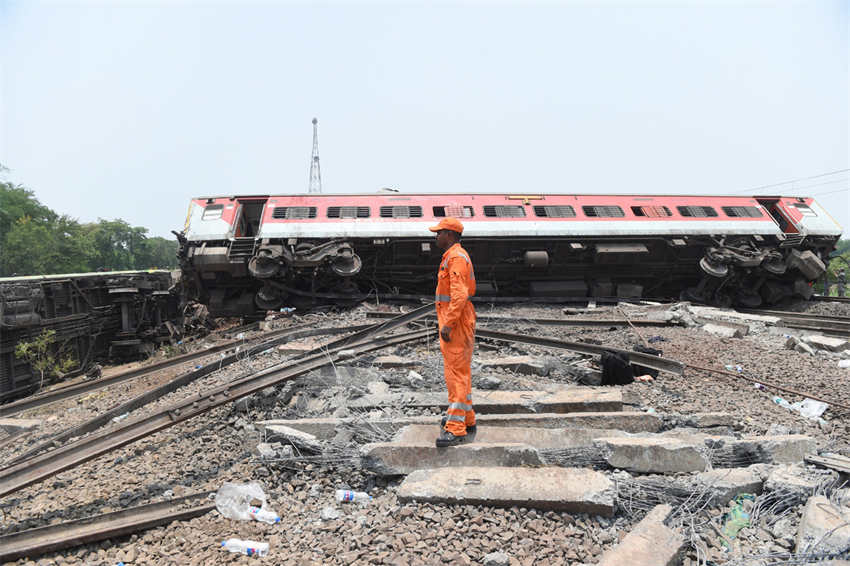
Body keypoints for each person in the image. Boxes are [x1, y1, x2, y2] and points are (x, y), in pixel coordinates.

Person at [428, 218, 477, 447]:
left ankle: (456, 429)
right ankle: (467, 419)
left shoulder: (456, 258)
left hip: (456, 322)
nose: (436, 237)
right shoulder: (455, 255)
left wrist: (447, 324)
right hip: (460, 319)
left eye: (439, 233)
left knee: (455, 375)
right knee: (461, 372)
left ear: (449, 234)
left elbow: (459, 295)